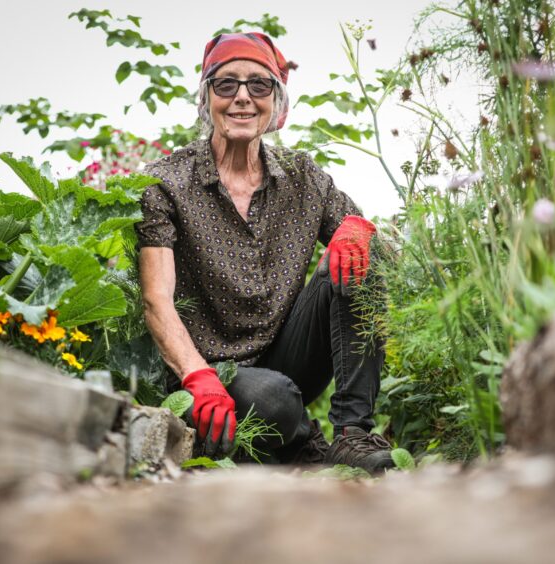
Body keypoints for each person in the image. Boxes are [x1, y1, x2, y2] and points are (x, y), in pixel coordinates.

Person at [134, 32, 394, 473]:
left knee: (358, 261)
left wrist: (358, 228)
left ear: (277, 103)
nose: (242, 98)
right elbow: (156, 299)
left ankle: (353, 436)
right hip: (214, 371)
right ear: (206, 98)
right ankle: (302, 441)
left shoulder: (303, 177)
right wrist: (197, 377)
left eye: (259, 85)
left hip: (289, 354)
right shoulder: (165, 183)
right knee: (271, 401)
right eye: (225, 84)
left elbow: (370, 246)